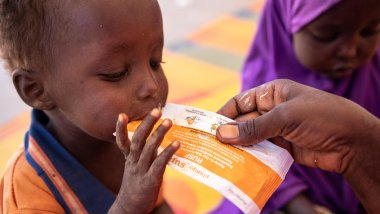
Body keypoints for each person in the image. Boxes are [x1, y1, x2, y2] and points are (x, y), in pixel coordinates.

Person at [0, 0, 181, 213]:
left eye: (155, 62)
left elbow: (158, 207)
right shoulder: (28, 198)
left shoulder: (131, 136)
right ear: (35, 89)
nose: (152, 86)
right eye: (116, 73)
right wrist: (127, 207)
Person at [239, 0, 380, 212]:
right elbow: (257, 165)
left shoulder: (374, 72)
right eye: (326, 35)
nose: (350, 51)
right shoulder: (260, 92)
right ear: (286, 23)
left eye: (370, 31)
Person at [216, 79, 380, 214]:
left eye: (368, 36)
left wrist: (356, 146)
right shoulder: (264, 85)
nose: (348, 51)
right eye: (324, 37)